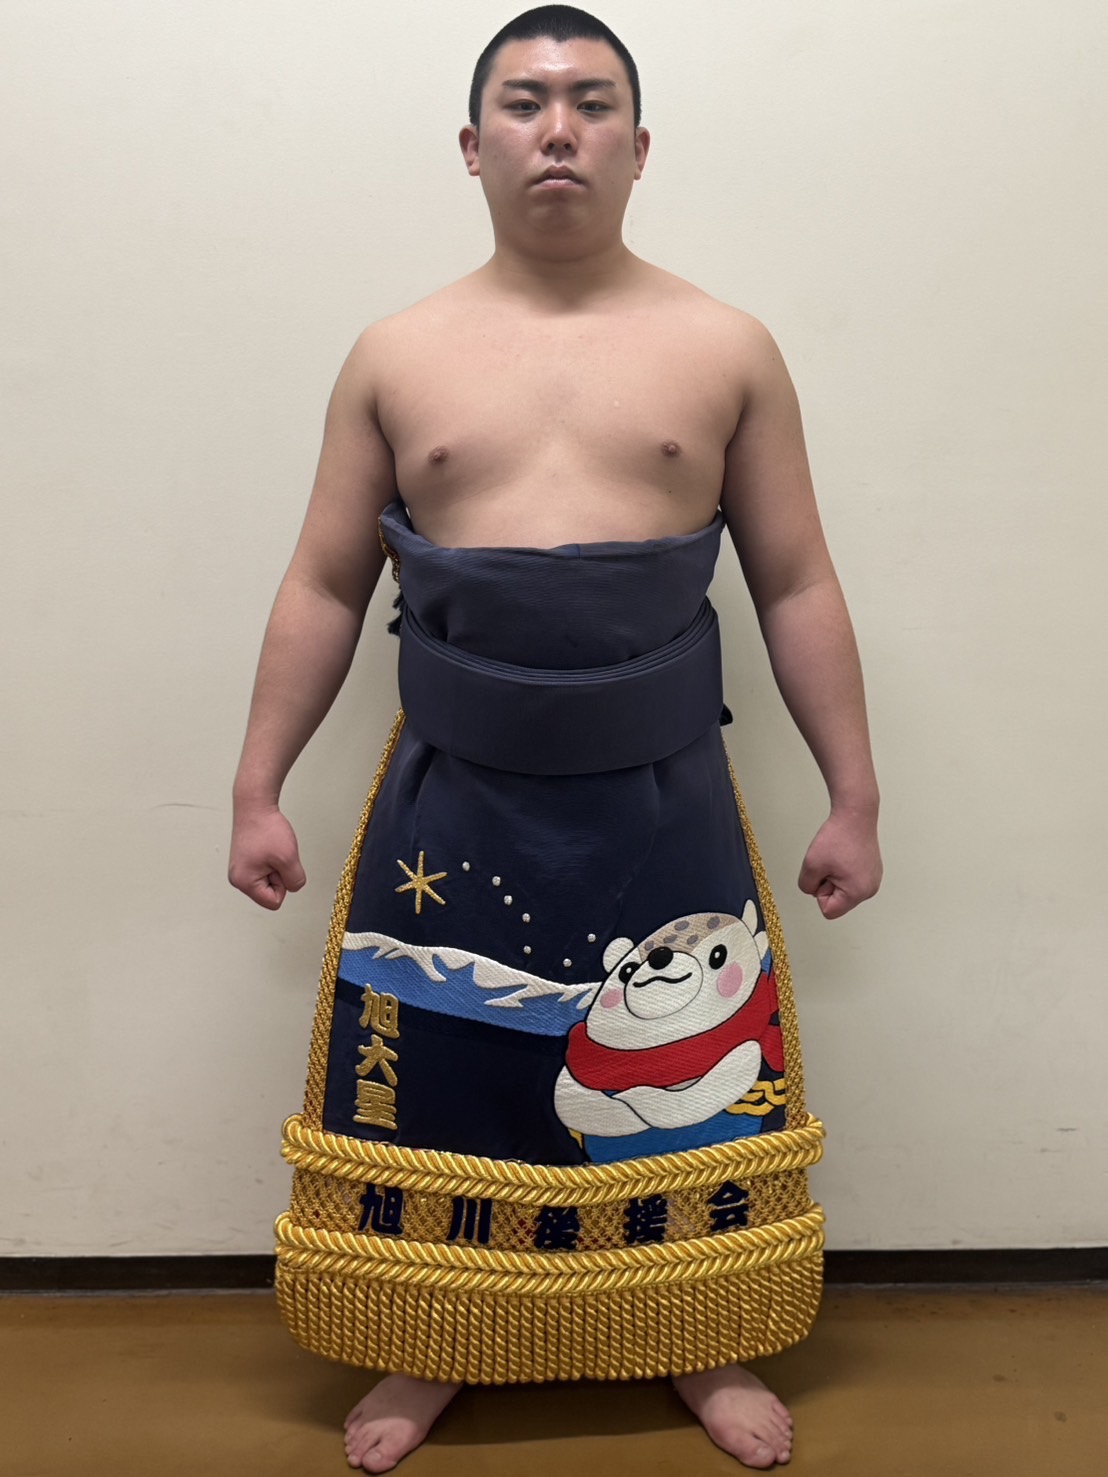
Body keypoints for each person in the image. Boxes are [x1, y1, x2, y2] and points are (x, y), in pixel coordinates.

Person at [229, 6, 881, 1471]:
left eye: (592, 101)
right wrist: (257, 784)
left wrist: (855, 792)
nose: (560, 129)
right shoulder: (395, 354)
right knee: (448, 1065)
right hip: (452, 802)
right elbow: (325, 582)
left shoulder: (727, 347)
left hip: (666, 799)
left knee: (687, 1071)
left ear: (641, 147)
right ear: (474, 147)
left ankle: (698, 1328)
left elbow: (794, 580)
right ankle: (430, 1338)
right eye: (525, 103)